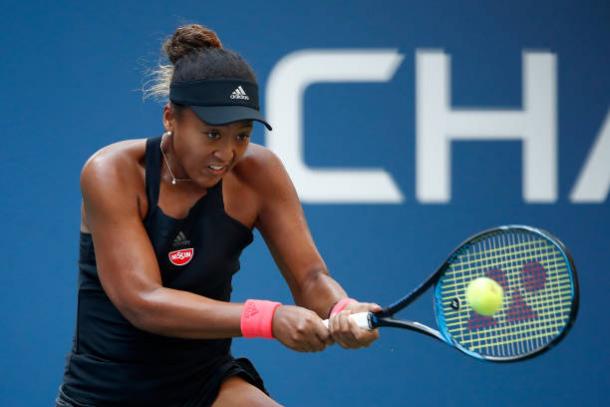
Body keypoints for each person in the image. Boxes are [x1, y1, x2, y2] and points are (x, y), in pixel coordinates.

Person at [56, 24, 380, 407]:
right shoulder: (112, 172)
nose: (227, 154)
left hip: (204, 385)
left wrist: (342, 309)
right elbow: (141, 301)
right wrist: (268, 318)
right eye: (213, 134)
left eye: (241, 135)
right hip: (107, 393)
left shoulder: (260, 173)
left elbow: (310, 277)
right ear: (170, 118)